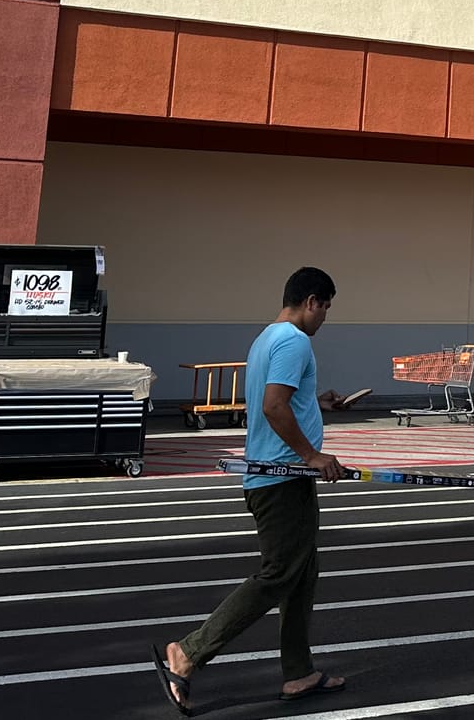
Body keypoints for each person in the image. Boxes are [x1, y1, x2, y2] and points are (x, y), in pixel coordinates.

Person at [154, 267, 352, 714]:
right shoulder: (295, 341)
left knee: (302, 575)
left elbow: (281, 401)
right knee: (279, 573)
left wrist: (317, 402)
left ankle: (299, 673)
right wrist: (312, 456)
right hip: (280, 478)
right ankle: (188, 652)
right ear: (313, 301)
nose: (325, 319)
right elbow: (272, 406)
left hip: (280, 477)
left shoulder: (266, 338)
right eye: (327, 309)